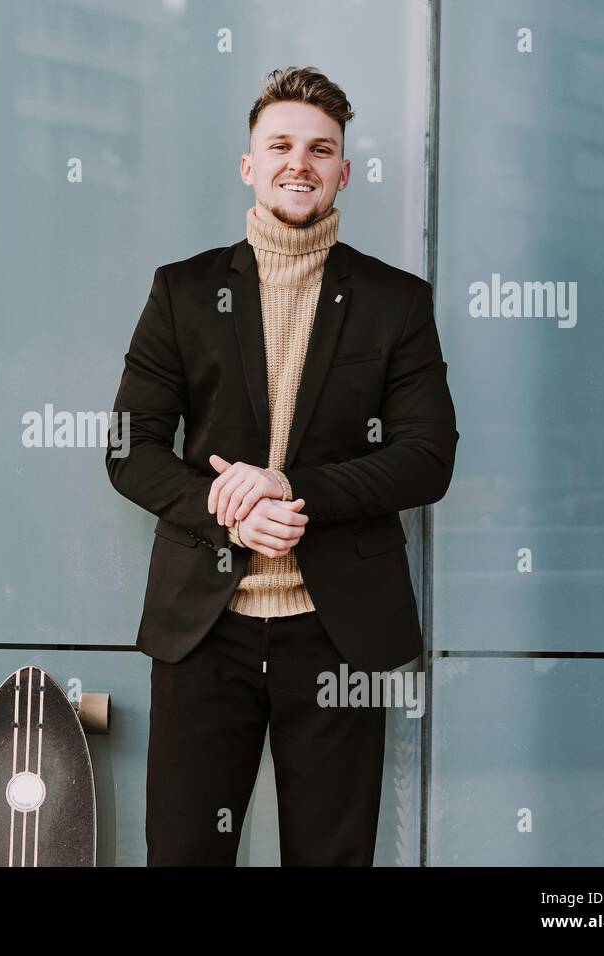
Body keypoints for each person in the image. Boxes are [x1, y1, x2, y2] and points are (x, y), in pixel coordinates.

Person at [105, 66, 458, 865]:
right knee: (186, 853)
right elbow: (130, 450)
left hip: (337, 637)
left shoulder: (396, 301)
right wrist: (229, 503)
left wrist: (291, 487)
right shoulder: (184, 291)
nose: (299, 162)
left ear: (344, 170)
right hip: (205, 631)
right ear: (249, 164)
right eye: (281, 145)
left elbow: (426, 458)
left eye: (320, 148)